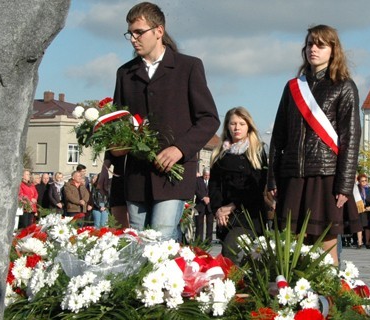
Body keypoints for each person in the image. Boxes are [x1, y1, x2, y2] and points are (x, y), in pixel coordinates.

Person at [112, 2, 220, 240]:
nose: (133, 38)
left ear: (159, 31)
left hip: (173, 175)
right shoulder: (125, 73)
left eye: (139, 32)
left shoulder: (188, 67)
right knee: (135, 243)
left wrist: (179, 149)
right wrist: (108, 167)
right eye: (130, 33)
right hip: (136, 178)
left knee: (161, 240)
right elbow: (117, 127)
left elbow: (209, 119)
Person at [268, 24, 361, 264]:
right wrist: (272, 178)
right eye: (310, 44)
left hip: (326, 175)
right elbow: (278, 137)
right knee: (290, 247)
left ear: (333, 50)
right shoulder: (292, 88)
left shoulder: (344, 87)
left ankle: (330, 298)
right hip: (293, 176)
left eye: (321, 45)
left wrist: (344, 184)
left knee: (326, 247)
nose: (314, 49)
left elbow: (350, 139)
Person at [209, 107, 267, 263]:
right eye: (233, 123)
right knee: (236, 258)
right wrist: (218, 210)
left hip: (249, 216)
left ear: (249, 125)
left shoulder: (257, 150)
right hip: (226, 218)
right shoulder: (219, 153)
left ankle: (232, 284)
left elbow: (257, 185)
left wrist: (233, 205)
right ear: (227, 126)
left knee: (231, 250)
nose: (237, 128)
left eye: (242, 123)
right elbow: (214, 185)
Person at [356, 173, 370, 249]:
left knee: (368, 226)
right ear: (359, 181)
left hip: (368, 209)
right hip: (359, 209)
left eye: (365, 180)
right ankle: (360, 242)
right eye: (362, 181)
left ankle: (367, 243)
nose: (364, 182)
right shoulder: (356, 189)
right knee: (359, 226)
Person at [194, 168, 213, 243]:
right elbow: (195, 190)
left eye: (208, 175)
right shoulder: (198, 180)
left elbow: (215, 191)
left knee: (210, 223)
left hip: (210, 205)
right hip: (200, 205)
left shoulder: (212, 181)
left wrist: (209, 198)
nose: (207, 177)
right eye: (205, 175)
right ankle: (198, 241)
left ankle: (208, 241)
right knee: (199, 224)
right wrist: (203, 197)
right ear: (203, 174)